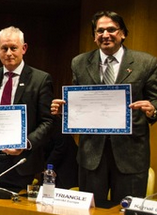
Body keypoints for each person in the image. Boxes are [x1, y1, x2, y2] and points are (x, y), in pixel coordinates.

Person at [51, 11, 157, 204]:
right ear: (94, 36)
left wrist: (152, 109)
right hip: (91, 155)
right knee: (90, 214)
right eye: (100, 31)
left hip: (131, 155)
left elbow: (155, 100)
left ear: (123, 33)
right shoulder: (79, 63)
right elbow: (80, 103)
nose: (105, 35)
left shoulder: (145, 62)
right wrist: (65, 112)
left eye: (111, 29)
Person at [0, 26, 54, 192]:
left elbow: (48, 121)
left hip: (21, 163)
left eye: (13, 48)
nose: (9, 53)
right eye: (4, 48)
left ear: (24, 48)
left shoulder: (40, 79)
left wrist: (26, 143)